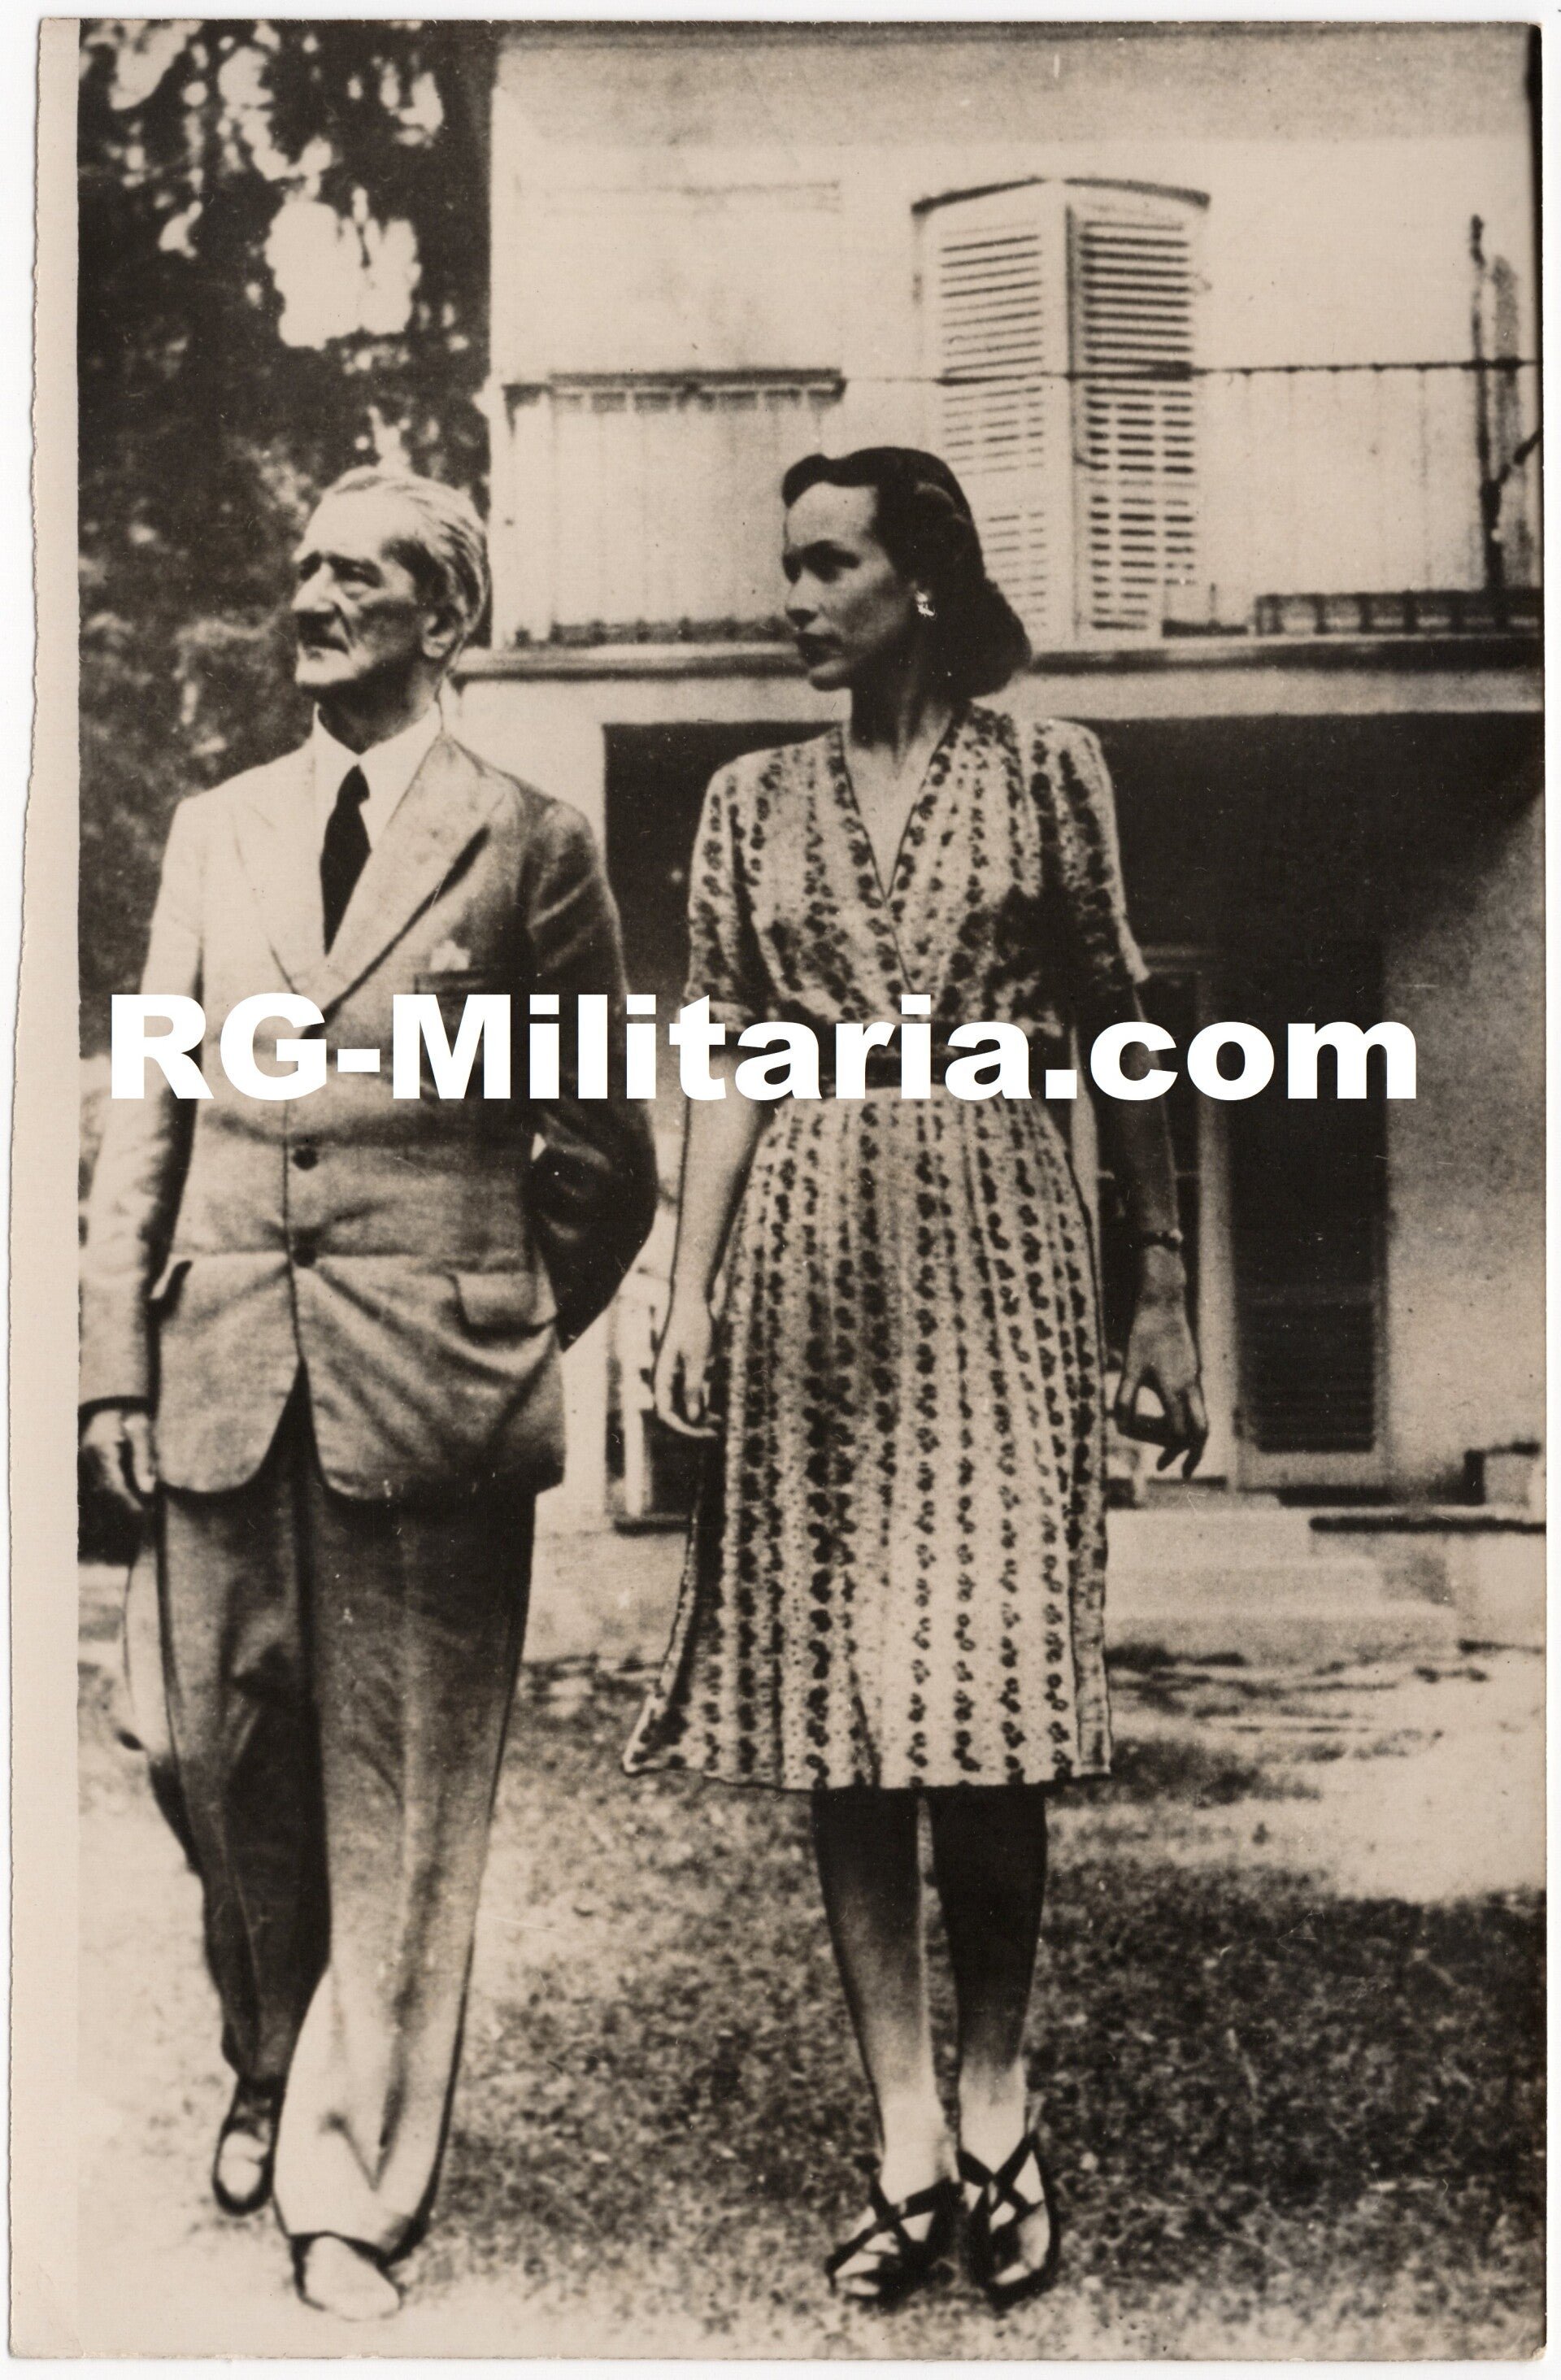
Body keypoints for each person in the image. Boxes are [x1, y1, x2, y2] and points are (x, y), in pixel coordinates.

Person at [627, 446, 1206, 2311]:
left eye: (826, 566)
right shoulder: (747, 801)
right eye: (785, 568)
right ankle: (900, 2140)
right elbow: (724, 1054)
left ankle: (1000, 2097)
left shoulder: (1048, 770)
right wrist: (688, 1284)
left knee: (988, 1690)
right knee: (838, 1700)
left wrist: (1162, 1298)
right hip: (807, 1253)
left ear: (921, 579)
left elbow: (1122, 1036)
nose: (795, 599)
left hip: (1003, 1244)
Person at [79, 466, 658, 2319]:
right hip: (221, 1362)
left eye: (355, 574)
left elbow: (599, 1151)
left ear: (442, 615)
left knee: (405, 1807)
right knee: (196, 1748)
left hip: (436, 1395)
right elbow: (144, 1115)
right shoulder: (215, 826)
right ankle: (273, 2045)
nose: (309, 597)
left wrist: (491, 1316)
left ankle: (352, 2190)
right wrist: (111, 1362)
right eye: (303, 569)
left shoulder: (529, 842)